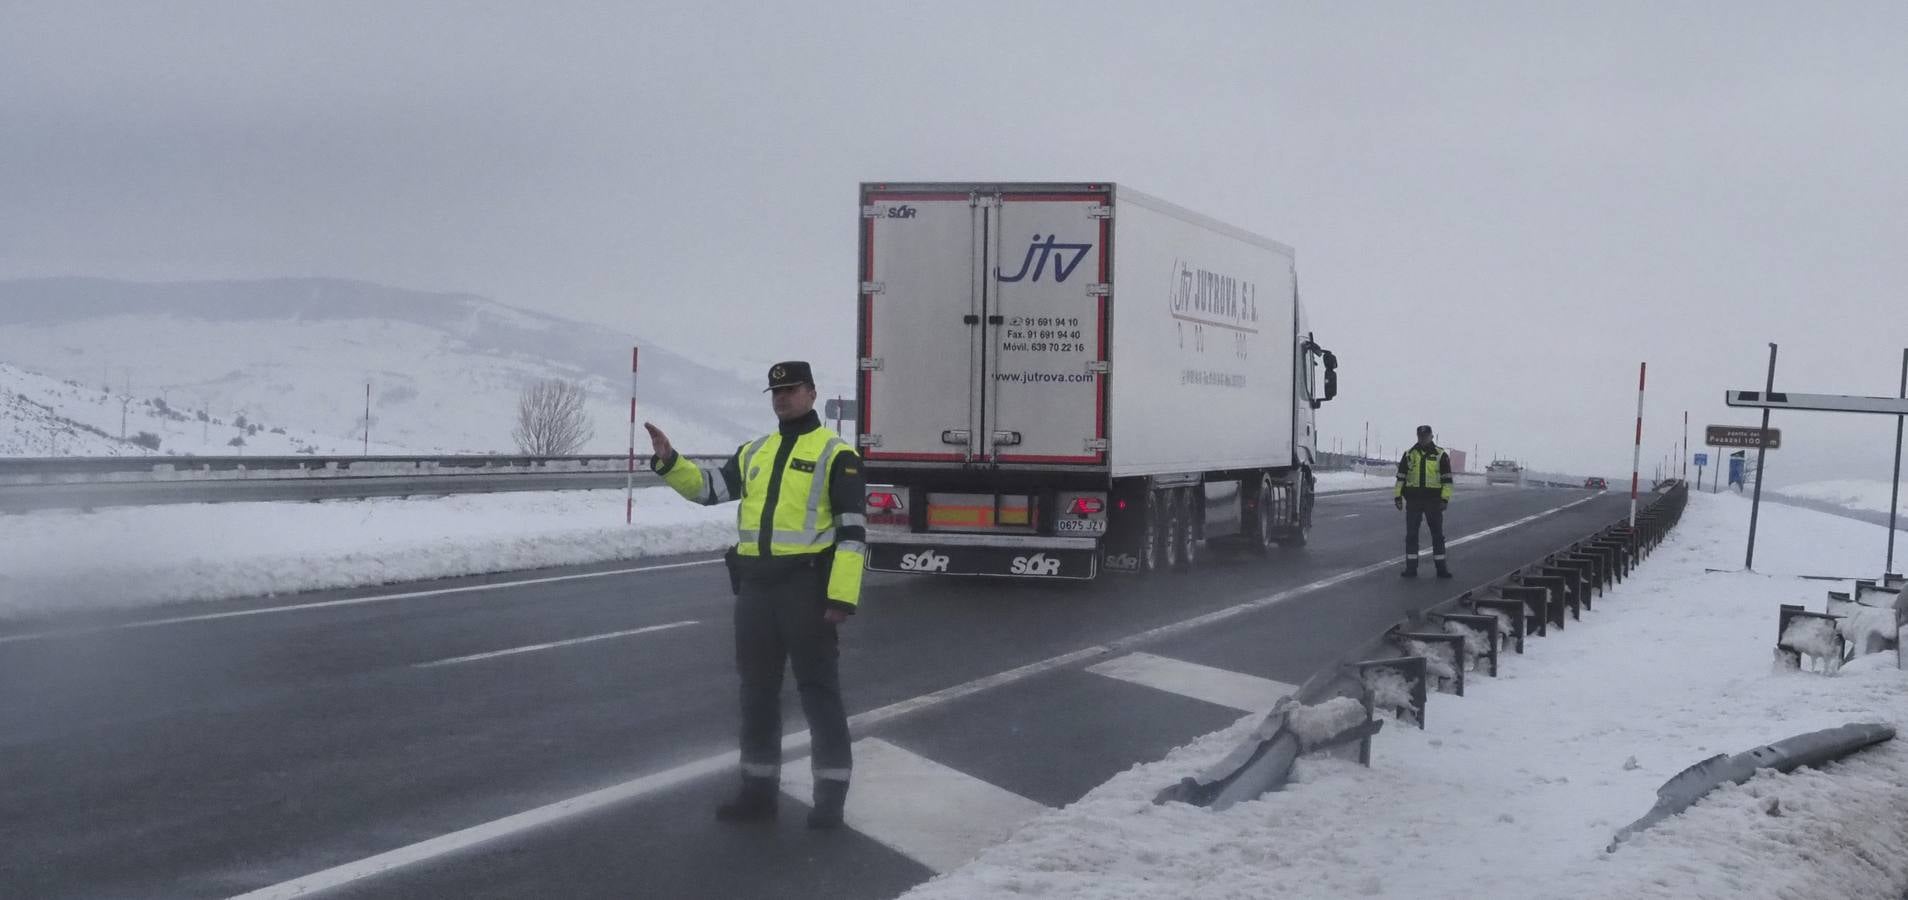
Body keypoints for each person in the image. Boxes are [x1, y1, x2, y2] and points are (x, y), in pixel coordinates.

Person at [644, 360, 867, 829]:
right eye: (776, 391)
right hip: (756, 590)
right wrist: (670, 461)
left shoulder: (836, 454)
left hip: (806, 588)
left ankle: (830, 801)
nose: (782, 398)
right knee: (757, 695)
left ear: (811, 393)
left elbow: (852, 532)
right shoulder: (755, 452)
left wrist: (841, 597)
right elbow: (709, 490)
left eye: (792, 390)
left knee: (819, 694)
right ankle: (757, 794)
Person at [1394, 425, 1454, 578]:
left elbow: (1447, 480)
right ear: (1417, 437)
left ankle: (1441, 569)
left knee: (1437, 535)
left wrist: (1444, 499)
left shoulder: (1440, 455)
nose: (1423, 439)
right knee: (1411, 535)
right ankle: (1411, 569)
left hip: (1433, 501)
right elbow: (1401, 477)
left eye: (1426, 436)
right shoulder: (1409, 454)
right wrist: (1398, 496)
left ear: (1431, 436)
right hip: (1413, 501)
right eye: (1420, 436)